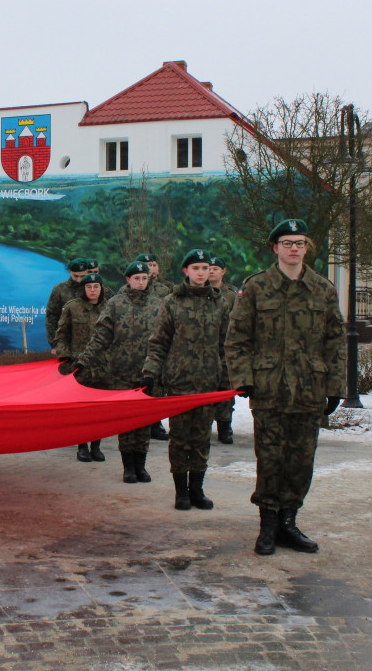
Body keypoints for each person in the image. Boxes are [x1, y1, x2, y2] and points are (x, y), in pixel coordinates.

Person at [225, 218, 345, 556]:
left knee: (301, 461)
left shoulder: (322, 289)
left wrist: (335, 386)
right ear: (275, 247)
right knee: (270, 460)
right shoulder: (255, 287)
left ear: (307, 248)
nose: (294, 248)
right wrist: (244, 379)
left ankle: (288, 524)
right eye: (288, 242)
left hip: (309, 390)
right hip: (270, 390)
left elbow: (335, 341)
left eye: (300, 243)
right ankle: (267, 526)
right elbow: (237, 340)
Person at [141, 249, 229, 510]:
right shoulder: (171, 301)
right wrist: (150, 372)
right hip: (179, 381)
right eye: (196, 268)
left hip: (208, 382)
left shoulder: (220, 302)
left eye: (205, 268)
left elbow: (228, 343)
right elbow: (159, 341)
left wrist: (229, 379)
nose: (201, 273)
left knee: (202, 438)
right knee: (179, 439)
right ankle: (181, 491)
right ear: (186, 272)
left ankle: (197, 489)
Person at [62, 261, 164, 482]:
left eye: (144, 278)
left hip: (148, 371)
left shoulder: (158, 305)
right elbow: (100, 337)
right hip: (120, 373)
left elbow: (166, 339)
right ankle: (128, 468)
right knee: (127, 422)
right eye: (136, 278)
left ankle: (141, 466)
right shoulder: (115, 304)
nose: (140, 282)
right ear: (127, 280)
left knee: (144, 421)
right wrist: (84, 361)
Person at [55, 272, 109, 462]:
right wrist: (65, 359)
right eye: (89, 287)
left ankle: (96, 446)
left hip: (103, 366)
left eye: (96, 287)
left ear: (101, 288)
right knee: (82, 410)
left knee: (100, 410)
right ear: (83, 289)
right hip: (79, 367)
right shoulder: (72, 308)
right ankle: (82, 446)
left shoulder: (110, 308)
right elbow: (61, 335)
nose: (92, 290)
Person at [135, 253, 172, 442]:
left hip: (157, 344)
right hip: (135, 346)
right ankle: (138, 422)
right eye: (147, 264)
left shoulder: (165, 290)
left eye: (154, 264)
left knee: (157, 387)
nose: (151, 268)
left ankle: (155, 423)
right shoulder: (132, 288)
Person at [209, 256, 239, 444]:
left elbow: (237, 321)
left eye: (215, 268)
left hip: (225, 348)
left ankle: (224, 426)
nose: (211, 271)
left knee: (225, 388)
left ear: (223, 271)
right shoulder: (199, 292)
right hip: (204, 348)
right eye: (208, 268)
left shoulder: (231, 295)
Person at [45, 259, 89, 354]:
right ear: (70, 271)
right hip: (66, 344)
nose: (79, 280)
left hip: (90, 344)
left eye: (83, 276)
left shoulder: (93, 289)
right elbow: (51, 318)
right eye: (75, 276)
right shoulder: (59, 289)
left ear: (87, 272)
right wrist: (54, 344)